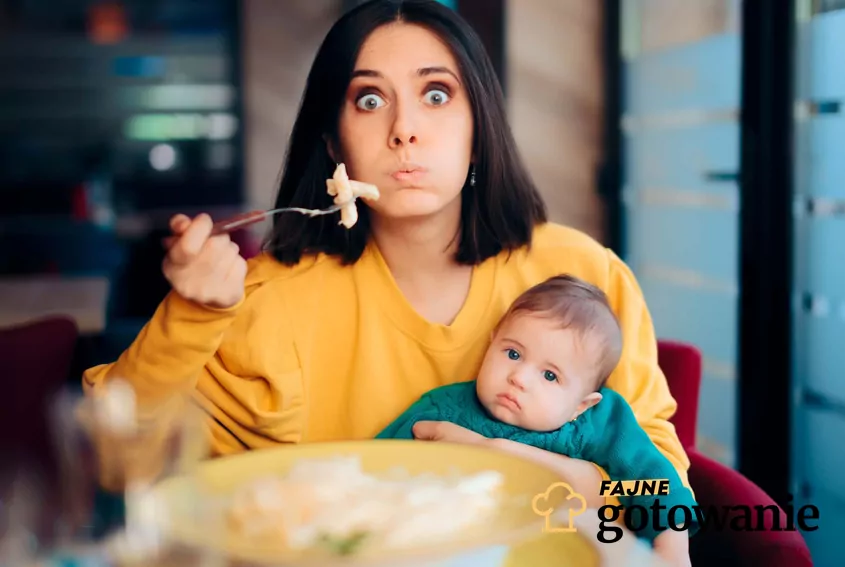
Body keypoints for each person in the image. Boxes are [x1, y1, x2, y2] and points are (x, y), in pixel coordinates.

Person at [83, 0, 690, 554]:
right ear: (333, 143)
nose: (404, 130)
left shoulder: (584, 276)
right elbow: (115, 466)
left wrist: (523, 467)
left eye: (436, 95)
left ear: (479, 131)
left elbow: (659, 491)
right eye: (369, 100)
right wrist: (192, 311)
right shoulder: (268, 303)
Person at [376, 274, 696, 564]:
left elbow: (658, 485)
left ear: (581, 405)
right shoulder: (443, 412)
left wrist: (672, 551)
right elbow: (371, 474)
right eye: (513, 353)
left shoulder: (600, 422)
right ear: (491, 343)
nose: (520, 378)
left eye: (549, 375)